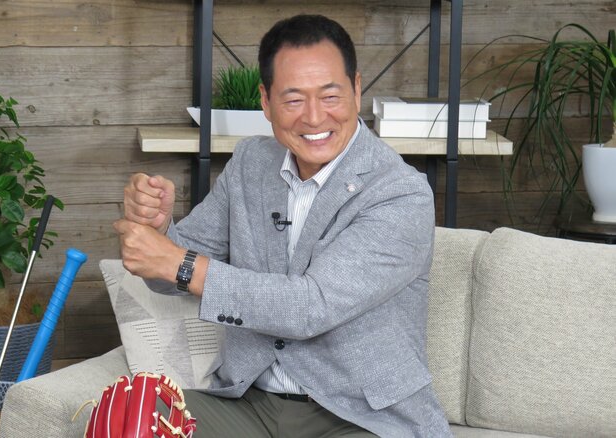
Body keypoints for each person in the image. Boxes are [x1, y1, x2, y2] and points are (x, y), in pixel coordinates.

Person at [113, 14, 452, 438]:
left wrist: (177, 262)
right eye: (293, 100)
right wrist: (157, 229)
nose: (314, 117)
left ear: (356, 90)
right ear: (266, 101)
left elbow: (310, 307)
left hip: (359, 417)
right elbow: (169, 279)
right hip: (250, 405)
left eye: (330, 96)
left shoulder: (401, 193)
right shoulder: (250, 164)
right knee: (129, 414)